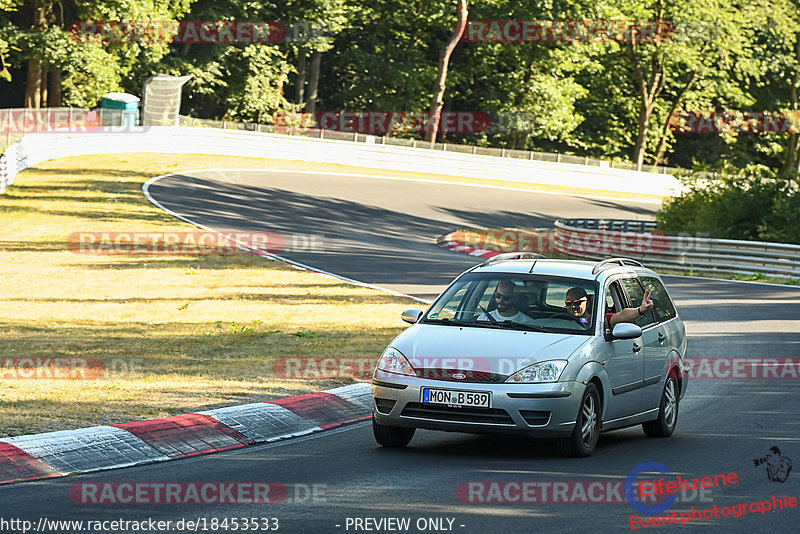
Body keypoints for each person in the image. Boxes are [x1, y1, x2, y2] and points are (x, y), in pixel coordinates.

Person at [565, 286, 653, 329]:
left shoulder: (600, 320)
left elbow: (623, 315)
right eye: (569, 303)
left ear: (587, 304)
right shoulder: (560, 318)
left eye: (577, 302)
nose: (573, 306)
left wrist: (640, 310)